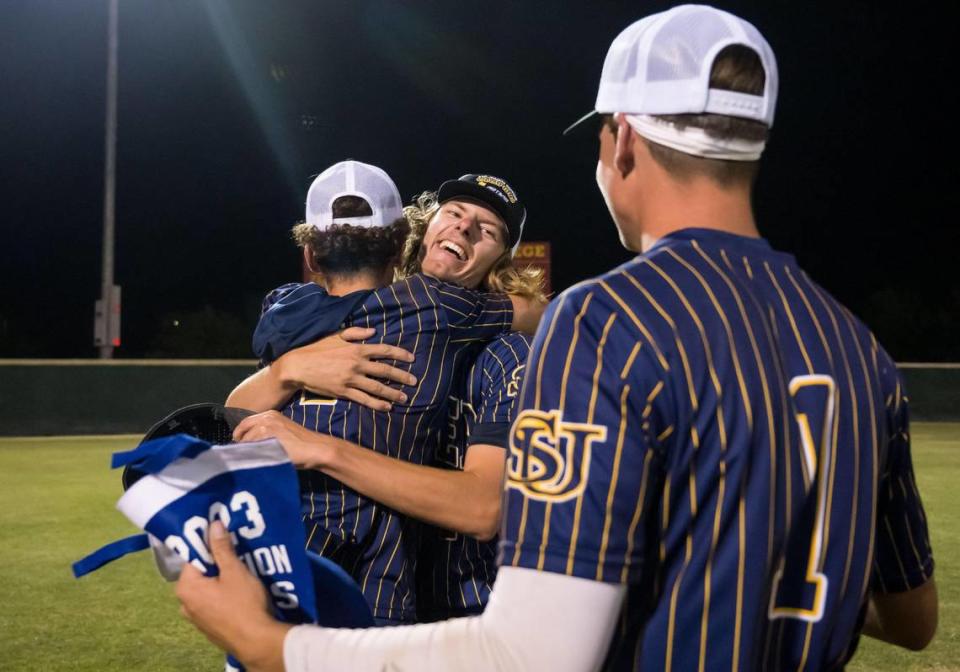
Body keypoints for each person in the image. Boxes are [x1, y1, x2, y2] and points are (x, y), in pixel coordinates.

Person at [177, 5, 937, 670]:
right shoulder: (860, 351)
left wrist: (280, 651)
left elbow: (534, 651)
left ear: (622, 140)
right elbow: (911, 619)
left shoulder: (605, 322)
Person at [227, 163, 544, 625]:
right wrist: (287, 372)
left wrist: (321, 447)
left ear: (500, 259)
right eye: (453, 211)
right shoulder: (381, 312)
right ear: (416, 231)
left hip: (458, 600)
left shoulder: (506, 353)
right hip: (371, 582)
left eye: (489, 230)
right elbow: (236, 418)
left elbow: (481, 509)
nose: (465, 226)